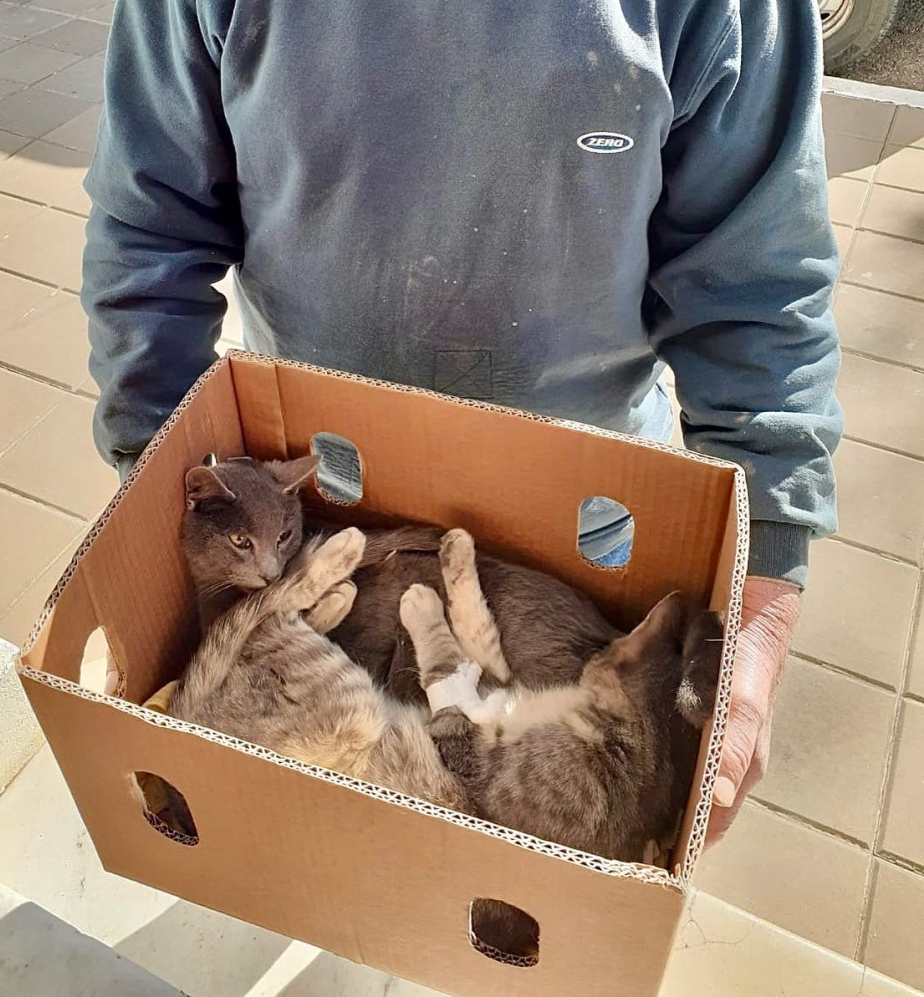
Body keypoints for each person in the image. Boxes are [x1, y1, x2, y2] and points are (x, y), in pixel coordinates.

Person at [81, 0, 842, 846]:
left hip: (589, 531)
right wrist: (156, 477)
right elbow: (149, 229)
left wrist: (762, 592)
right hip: (323, 501)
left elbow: (756, 286)